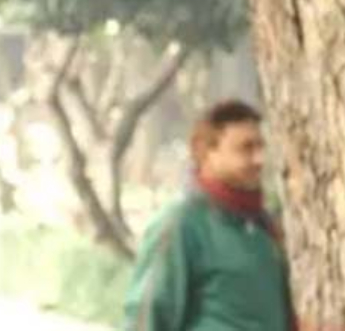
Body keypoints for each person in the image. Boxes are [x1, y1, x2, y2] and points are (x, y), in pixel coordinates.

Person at [123, 99, 297, 331]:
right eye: (246, 148)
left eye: (260, 147)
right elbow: (147, 317)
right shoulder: (181, 224)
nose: (259, 160)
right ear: (206, 153)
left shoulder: (262, 227)